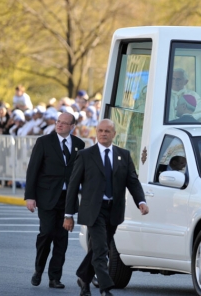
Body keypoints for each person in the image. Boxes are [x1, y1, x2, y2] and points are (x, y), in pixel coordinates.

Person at [63, 119, 148, 296]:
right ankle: (105, 287)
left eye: (107, 131)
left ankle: (84, 279)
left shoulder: (123, 155)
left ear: (114, 134)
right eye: (100, 130)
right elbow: (73, 186)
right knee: (101, 249)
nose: (103, 134)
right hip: (94, 210)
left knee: (97, 248)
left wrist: (141, 201)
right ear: (96, 132)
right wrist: (68, 214)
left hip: (113, 209)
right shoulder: (86, 155)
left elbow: (132, 180)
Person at [24, 112, 85, 289]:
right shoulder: (44, 142)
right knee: (47, 233)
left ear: (72, 126)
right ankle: (38, 269)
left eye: (64, 123)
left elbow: (81, 173)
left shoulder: (79, 145)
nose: (60, 125)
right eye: (58, 122)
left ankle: (54, 277)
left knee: (62, 239)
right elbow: (32, 170)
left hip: (67, 200)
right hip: (47, 197)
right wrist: (30, 196)